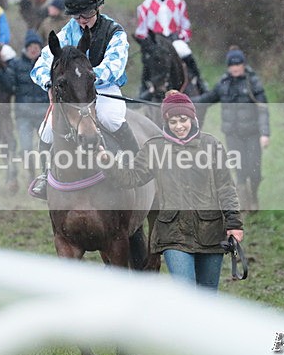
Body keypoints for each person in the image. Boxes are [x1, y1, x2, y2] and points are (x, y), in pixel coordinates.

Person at [98, 90, 244, 292]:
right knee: (186, 294)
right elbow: (131, 178)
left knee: (207, 298)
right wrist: (108, 162)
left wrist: (234, 224)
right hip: (173, 234)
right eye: (173, 121)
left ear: (192, 118)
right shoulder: (155, 148)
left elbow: (226, 188)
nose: (179, 126)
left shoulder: (211, 145)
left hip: (210, 232)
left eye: (183, 120)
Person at [29, 0, 137, 199]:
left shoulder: (114, 32)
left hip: (103, 88)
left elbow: (114, 66)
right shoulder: (66, 33)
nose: (81, 20)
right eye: (76, 16)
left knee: (110, 118)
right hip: (73, 94)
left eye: (86, 14)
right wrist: (49, 83)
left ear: (98, 8)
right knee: (47, 130)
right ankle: (45, 176)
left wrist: (85, 79)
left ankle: (135, 162)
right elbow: (40, 65)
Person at [194, 48, 270, 211]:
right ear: (228, 67)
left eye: (238, 64)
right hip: (233, 135)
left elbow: (263, 109)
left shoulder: (253, 82)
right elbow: (206, 99)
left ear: (243, 65)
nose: (235, 68)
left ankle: (254, 196)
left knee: (254, 171)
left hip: (252, 134)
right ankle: (244, 204)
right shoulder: (223, 83)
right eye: (232, 65)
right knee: (240, 169)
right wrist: (183, 101)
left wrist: (265, 133)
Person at [135, 0, 206, 93]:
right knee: (148, 61)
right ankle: (144, 88)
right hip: (156, 43)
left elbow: (186, 26)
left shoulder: (179, 3)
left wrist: (180, 37)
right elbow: (141, 31)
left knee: (186, 53)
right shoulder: (144, 6)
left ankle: (199, 82)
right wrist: (148, 43)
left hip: (175, 40)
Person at [7, 30, 49, 179]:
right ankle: (31, 175)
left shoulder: (47, 65)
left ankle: (46, 176)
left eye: (36, 46)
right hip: (23, 115)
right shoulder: (16, 64)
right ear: (25, 48)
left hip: (44, 115)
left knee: (47, 148)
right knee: (26, 148)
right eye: (30, 46)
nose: (33, 49)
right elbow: (8, 85)